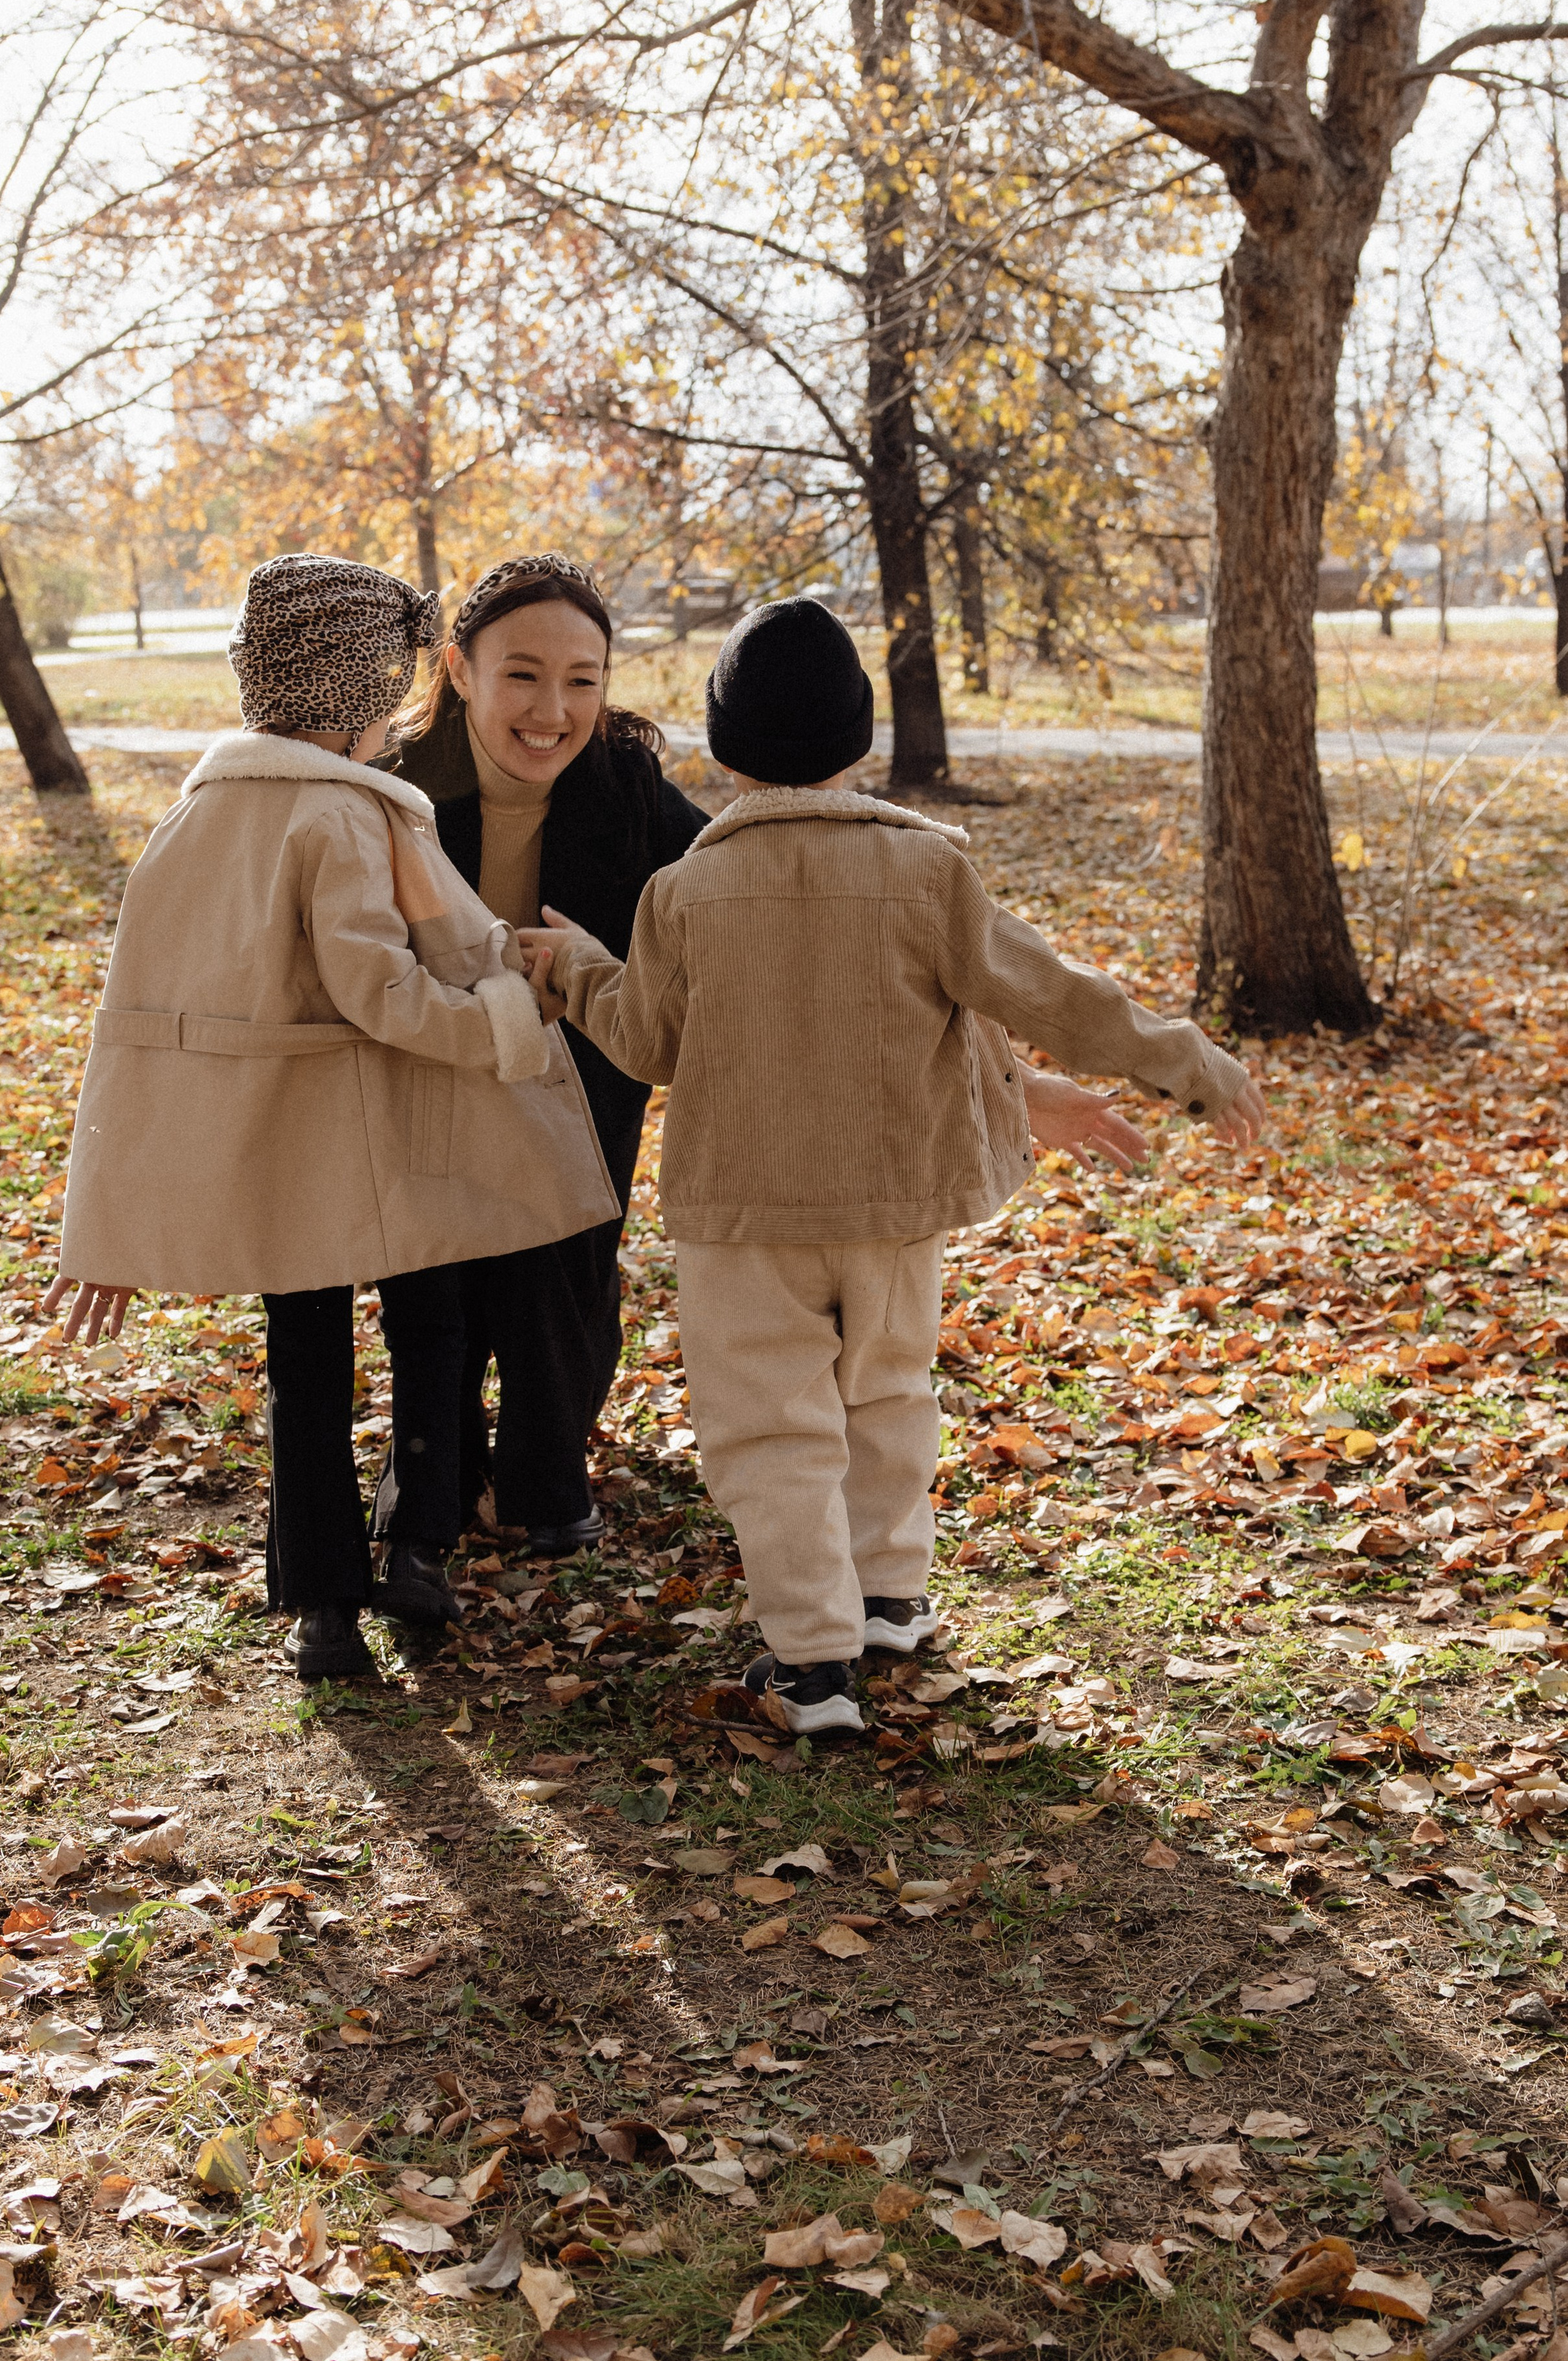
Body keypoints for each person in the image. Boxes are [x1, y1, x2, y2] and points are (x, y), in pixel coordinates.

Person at [523, 596, 1269, 1733]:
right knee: (888, 1395)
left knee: (772, 1426)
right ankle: (889, 1597)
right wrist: (1186, 1062)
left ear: (723, 752)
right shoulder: (931, 876)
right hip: (898, 1203)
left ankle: (815, 1662)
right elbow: (1052, 994)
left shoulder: (686, 893)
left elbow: (646, 1042)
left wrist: (577, 965)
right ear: (860, 744)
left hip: (747, 1214)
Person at [43, 552, 620, 1680]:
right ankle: (415, 1546)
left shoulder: (191, 823)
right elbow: (382, 993)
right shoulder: (343, 819)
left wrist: (106, 1209)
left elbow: (143, 1025)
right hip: (383, 1140)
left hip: (277, 1154)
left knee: (303, 1359)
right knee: (429, 1330)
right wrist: (502, 1018)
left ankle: (321, 1600)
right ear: (366, 695)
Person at [380, 552, 708, 1555]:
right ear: (461, 668)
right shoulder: (393, 790)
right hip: (429, 1068)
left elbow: (735, 896)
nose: (550, 711)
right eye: (521, 674)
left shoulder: (633, 794)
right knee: (439, 1283)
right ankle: (435, 1460)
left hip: (583, 1077)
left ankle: (546, 1466)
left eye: (582, 682)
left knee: (564, 1279)